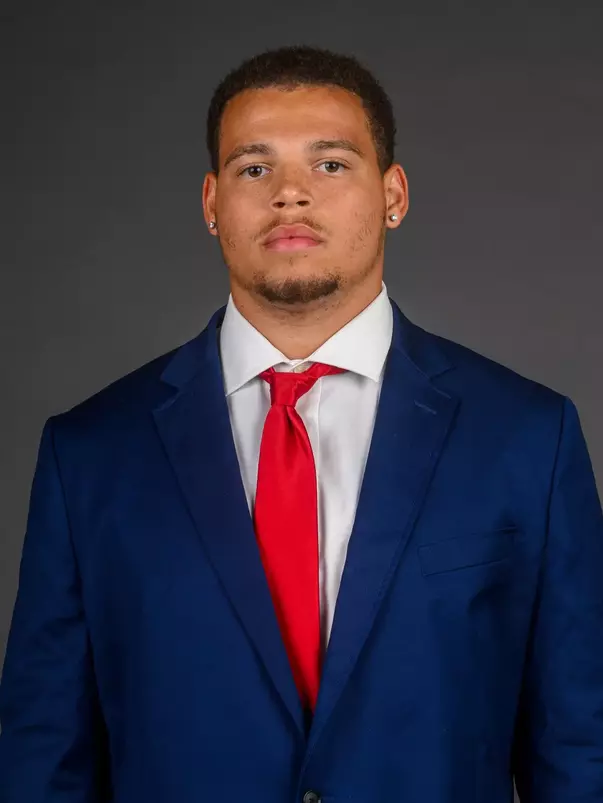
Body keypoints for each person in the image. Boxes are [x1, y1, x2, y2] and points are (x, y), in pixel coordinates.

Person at [1, 44, 602, 803]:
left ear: (393, 194)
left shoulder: (528, 438)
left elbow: (581, 750)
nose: (290, 193)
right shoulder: (89, 454)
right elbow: (42, 758)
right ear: (212, 203)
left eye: (330, 164)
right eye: (255, 168)